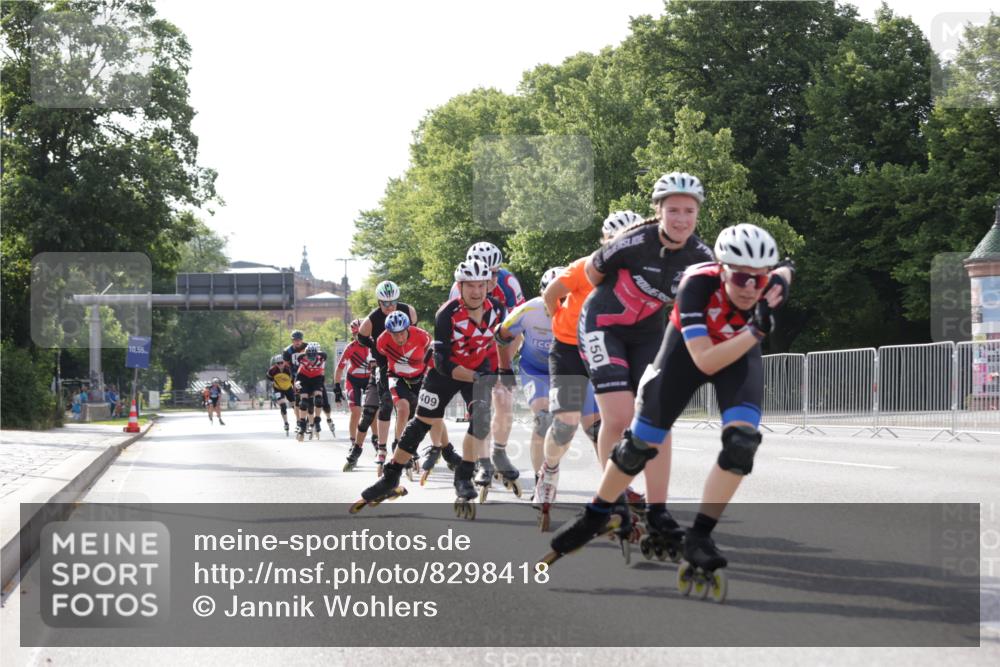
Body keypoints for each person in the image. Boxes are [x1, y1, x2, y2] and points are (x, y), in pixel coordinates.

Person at [546, 225, 794, 594]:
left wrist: (784, 275)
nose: (749, 288)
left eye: (759, 280)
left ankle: (700, 536)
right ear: (721, 270)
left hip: (739, 354)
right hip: (689, 355)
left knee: (742, 444)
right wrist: (755, 332)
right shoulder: (696, 284)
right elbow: (705, 360)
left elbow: (786, 271)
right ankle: (597, 512)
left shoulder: (767, 284)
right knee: (640, 443)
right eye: (740, 277)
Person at [579, 173, 713, 535]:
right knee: (620, 415)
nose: (681, 219)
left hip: (649, 332)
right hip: (603, 324)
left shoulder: (701, 256)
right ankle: (615, 500)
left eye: (689, 211)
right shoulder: (633, 241)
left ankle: (658, 510)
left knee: (658, 416)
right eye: (673, 210)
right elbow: (593, 274)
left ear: (697, 214)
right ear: (659, 210)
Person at [350, 259, 506, 519]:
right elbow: (444, 363)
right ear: (460, 286)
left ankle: (464, 477)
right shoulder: (446, 313)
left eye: (482, 285)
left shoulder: (498, 310)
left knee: (480, 418)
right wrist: (477, 376)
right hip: (447, 372)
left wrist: (502, 370)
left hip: (479, 370)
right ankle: (390, 479)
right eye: (470, 286)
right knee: (420, 423)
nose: (477, 291)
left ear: (489, 284)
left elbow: (507, 338)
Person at [534, 211, 638, 530]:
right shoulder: (584, 267)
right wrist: (560, 323)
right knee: (565, 423)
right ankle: (549, 469)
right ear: (605, 243)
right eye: (616, 244)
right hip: (568, 348)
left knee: (611, 423)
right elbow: (551, 294)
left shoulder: (640, 276)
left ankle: (615, 487)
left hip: (605, 348)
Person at [450, 242, 525, 499]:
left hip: (502, 344)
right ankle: (483, 463)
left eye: (494, 273)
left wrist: (503, 365)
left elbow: (518, 328)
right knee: (481, 409)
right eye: (485, 273)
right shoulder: (459, 288)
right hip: (472, 351)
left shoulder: (509, 285)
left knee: (504, 403)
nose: (490, 279)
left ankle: (499, 452)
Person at [493, 267, 565, 500]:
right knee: (543, 418)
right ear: (542, 293)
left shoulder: (579, 310)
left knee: (565, 426)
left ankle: (551, 468)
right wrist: (504, 369)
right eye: (551, 297)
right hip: (534, 370)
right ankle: (539, 481)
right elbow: (501, 335)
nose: (556, 304)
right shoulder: (528, 309)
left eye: (563, 298)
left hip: (563, 371)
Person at [357, 281, 419, 454]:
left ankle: (403, 441)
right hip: (385, 363)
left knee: (411, 404)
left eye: (393, 302)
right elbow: (361, 337)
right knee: (386, 402)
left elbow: (415, 333)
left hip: (406, 361)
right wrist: (374, 346)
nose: (390, 307)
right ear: (379, 302)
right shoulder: (373, 318)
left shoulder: (408, 310)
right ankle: (382, 446)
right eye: (385, 303)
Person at [373, 310, 434, 480]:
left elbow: (432, 354)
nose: (399, 338)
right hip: (397, 377)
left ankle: (409, 445)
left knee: (417, 416)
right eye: (394, 335)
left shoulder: (422, 336)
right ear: (388, 332)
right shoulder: (382, 340)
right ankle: (398, 445)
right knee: (402, 408)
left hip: (419, 377)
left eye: (402, 333)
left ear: (408, 328)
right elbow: (382, 356)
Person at [334, 319, 371, 446]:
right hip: (353, 380)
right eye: (356, 335)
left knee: (373, 411)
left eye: (362, 334)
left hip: (369, 380)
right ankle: (353, 441)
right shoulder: (350, 348)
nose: (359, 338)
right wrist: (337, 388)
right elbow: (339, 369)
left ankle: (377, 440)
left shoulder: (374, 345)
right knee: (356, 411)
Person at [294, 342, 328, 441]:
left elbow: (322, 354)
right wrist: (296, 383)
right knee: (303, 402)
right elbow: (298, 374)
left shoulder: (322, 357)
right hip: (304, 378)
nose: (311, 359)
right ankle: (302, 424)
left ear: (317, 354)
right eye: (309, 356)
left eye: (314, 356)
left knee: (318, 400)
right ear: (306, 355)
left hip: (317, 378)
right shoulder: (301, 358)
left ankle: (317, 420)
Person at [266, 354, 295, 435]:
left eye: (281, 363)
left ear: (284, 362)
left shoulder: (288, 369)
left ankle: (300, 420)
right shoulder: (272, 370)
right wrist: (273, 381)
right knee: (283, 406)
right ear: (276, 364)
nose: (280, 365)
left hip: (288, 388)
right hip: (278, 388)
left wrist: (295, 388)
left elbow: (293, 378)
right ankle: (286, 423)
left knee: (294, 406)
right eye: (278, 363)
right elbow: (268, 376)